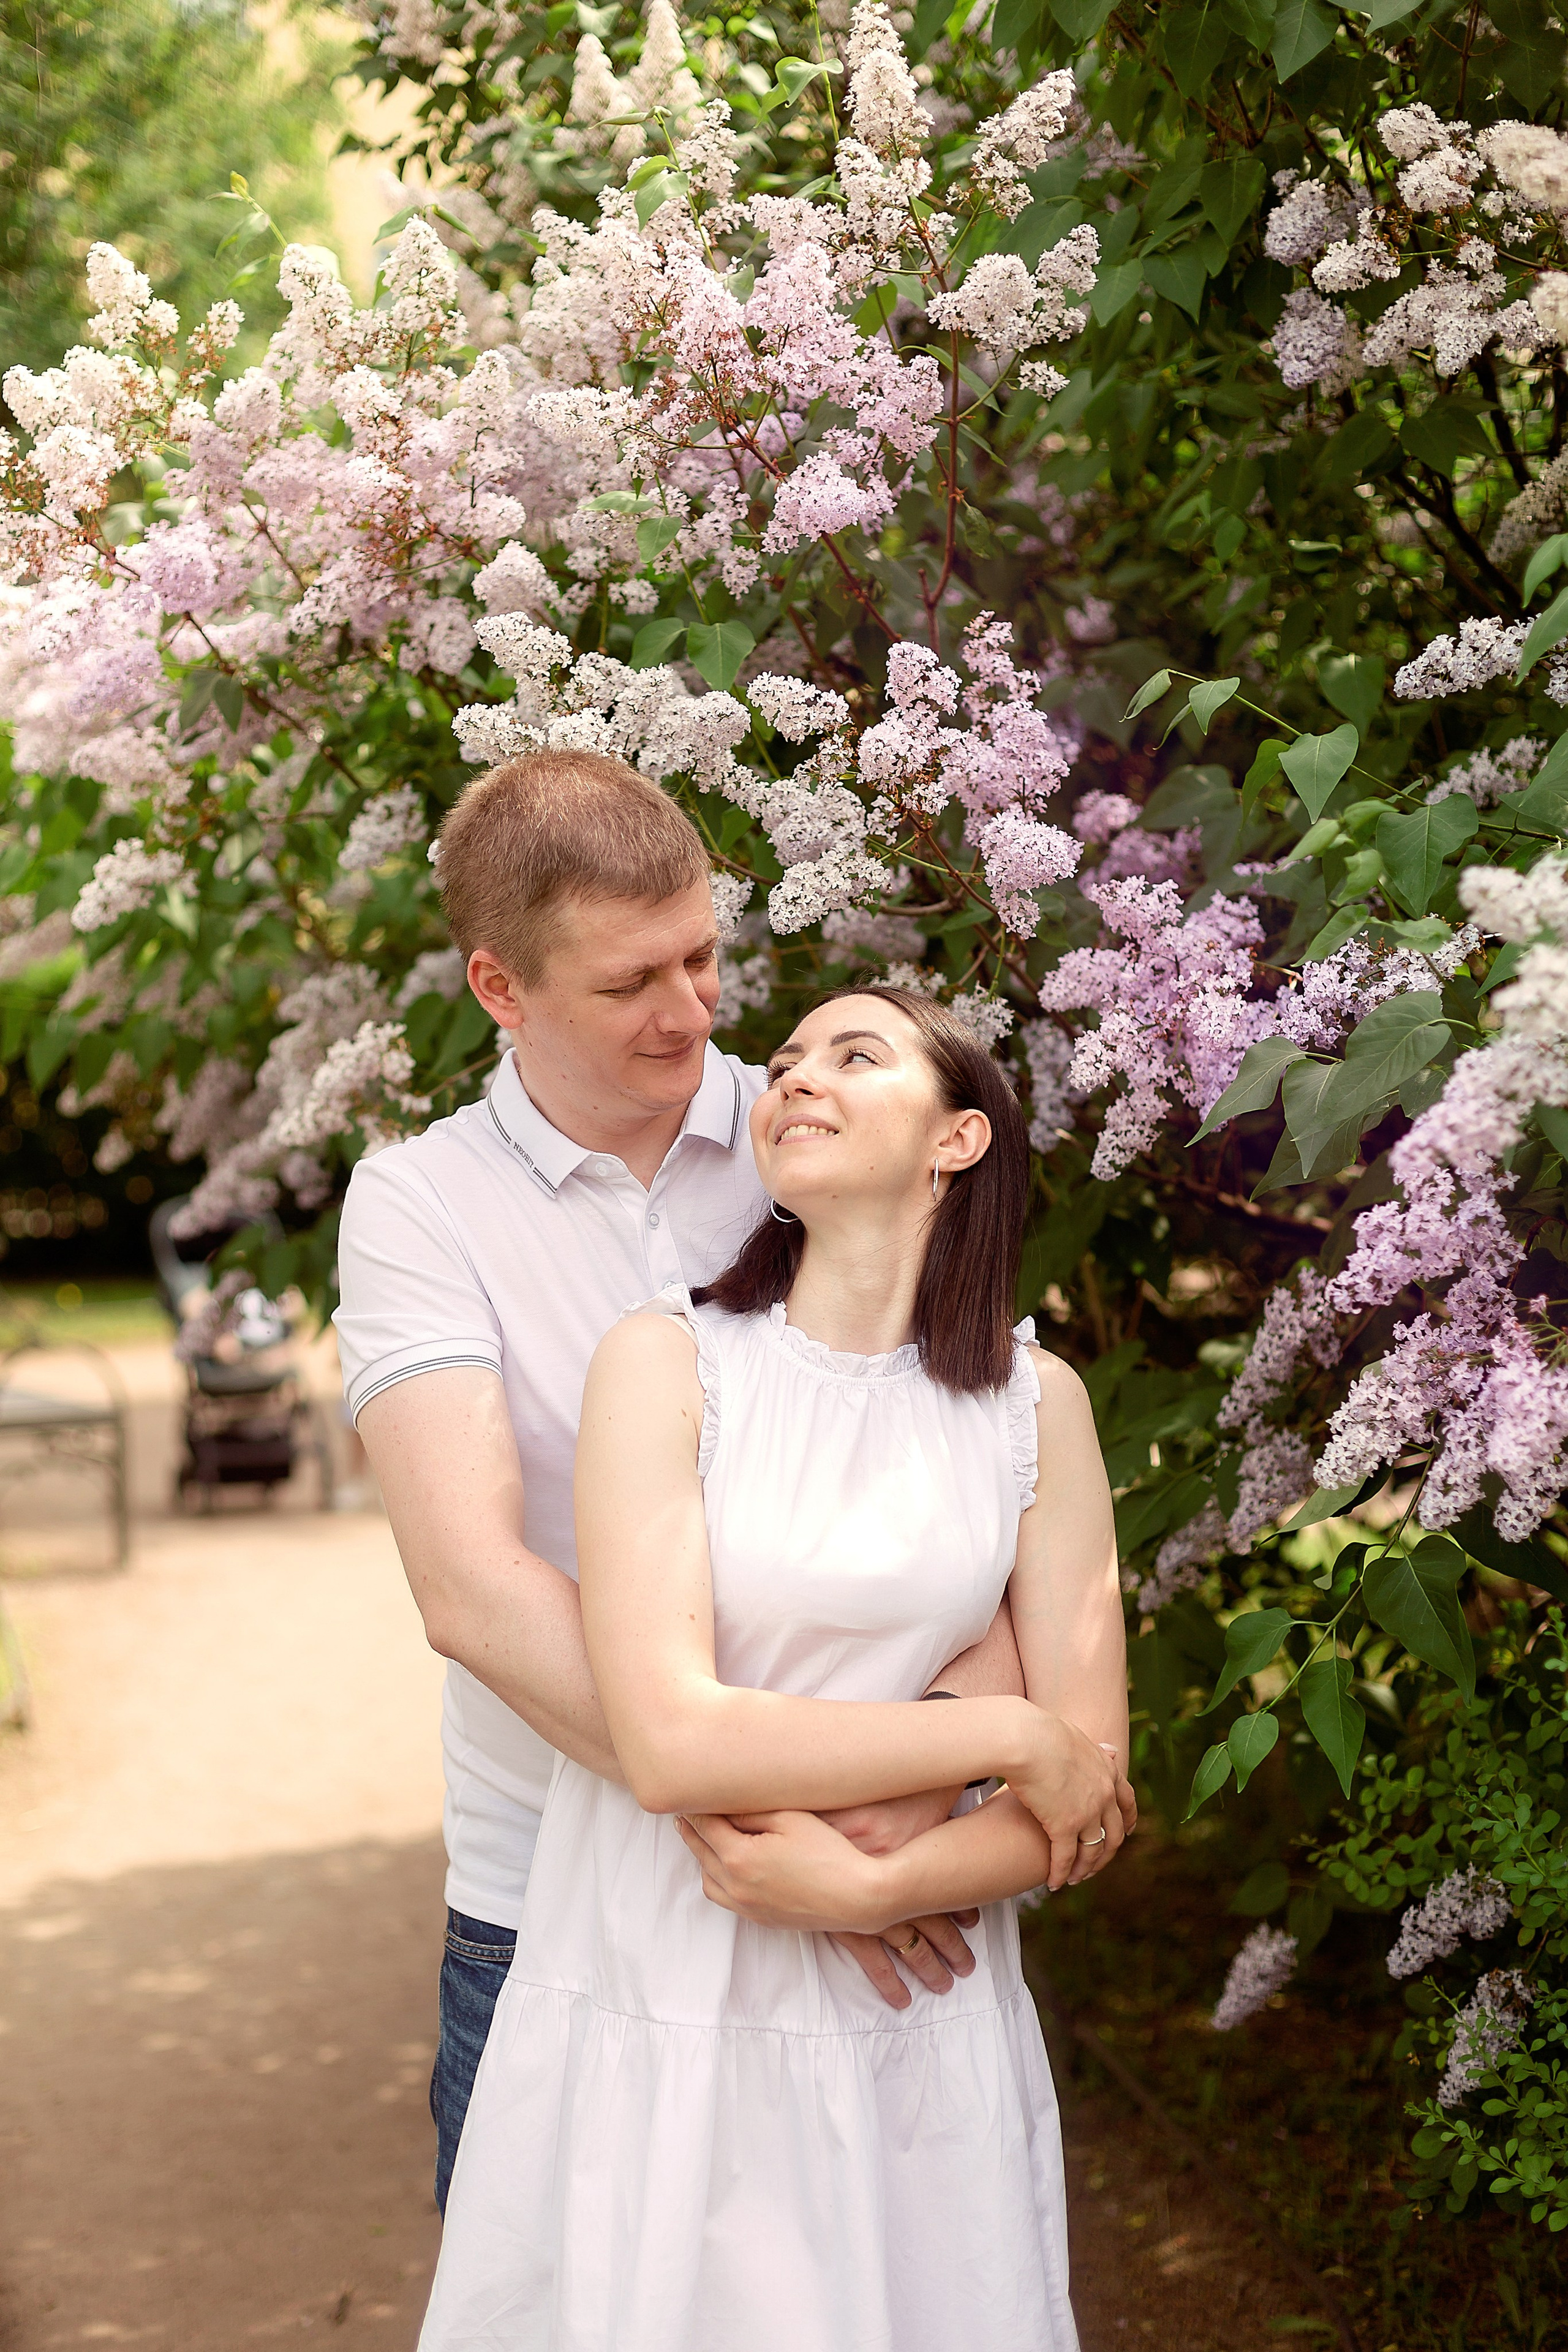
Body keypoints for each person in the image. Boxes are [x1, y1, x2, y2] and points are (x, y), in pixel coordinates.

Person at [334, 750, 1039, 2214]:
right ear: (498, 988)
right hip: (552, 1900)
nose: (694, 1012)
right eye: (628, 984)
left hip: (887, 1865)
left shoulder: (821, 1132)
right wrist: (775, 1825)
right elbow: (473, 1593)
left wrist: (917, 1805)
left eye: (704, 955)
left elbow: (995, 1481)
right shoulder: (420, 1206)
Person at [417, 982, 1131, 2351]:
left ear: (957, 1142)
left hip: (915, 2007)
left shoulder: (1036, 1408)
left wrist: (870, 1885)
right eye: (788, 1058)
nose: (794, 1076)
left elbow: (1089, 1800)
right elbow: (672, 1741)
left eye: (853, 1056)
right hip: (666, 1965)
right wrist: (1006, 1741)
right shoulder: (669, 1364)